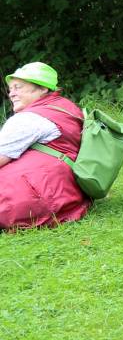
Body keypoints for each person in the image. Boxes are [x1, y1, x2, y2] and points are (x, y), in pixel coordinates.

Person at [0, 63, 89, 230]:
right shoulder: (65, 108)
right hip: (65, 195)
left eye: (18, 87)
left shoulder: (30, 119)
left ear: (43, 89)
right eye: (10, 89)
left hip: (33, 199)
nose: (11, 94)